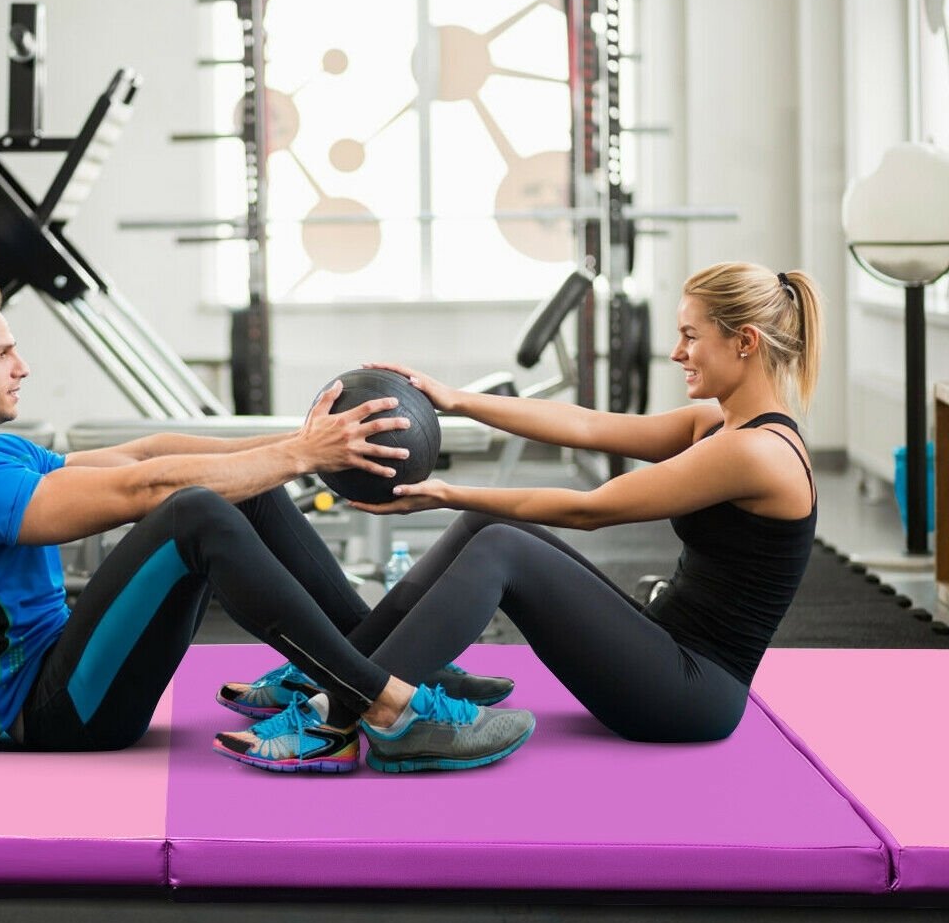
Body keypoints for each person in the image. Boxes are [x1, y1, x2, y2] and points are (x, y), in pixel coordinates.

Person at [0, 281, 534, 774]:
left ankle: (384, 661)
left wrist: (304, 441)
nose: (22, 366)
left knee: (242, 489)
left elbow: (146, 453)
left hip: (72, 669)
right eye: (3, 353)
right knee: (194, 509)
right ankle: (388, 707)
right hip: (42, 719)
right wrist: (305, 456)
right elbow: (146, 488)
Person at [228, 262, 821, 745]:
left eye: (691, 336)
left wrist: (443, 494)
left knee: (502, 545)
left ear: (744, 342)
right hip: (664, 649)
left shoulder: (757, 453)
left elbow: (594, 508)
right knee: (488, 523)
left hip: (691, 695)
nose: (675, 352)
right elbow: (586, 425)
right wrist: (455, 399)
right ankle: (336, 669)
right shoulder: (717, 425)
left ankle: (335, 713)